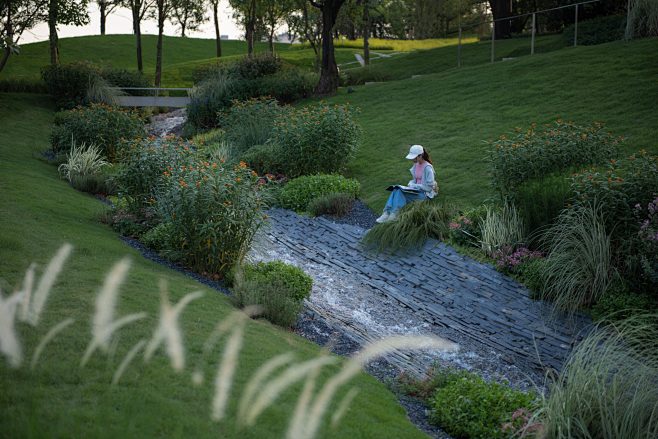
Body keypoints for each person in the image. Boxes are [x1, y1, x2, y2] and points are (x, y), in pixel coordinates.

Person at [376, 144, 437, 223]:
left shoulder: (428, 168)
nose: (412, 159)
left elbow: (429, 188)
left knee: (399, 192)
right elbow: (415, 179)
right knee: (396, 189)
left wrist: (415, 186)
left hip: (424, 194)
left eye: (414, 157)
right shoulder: (416, 165)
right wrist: (411, 183)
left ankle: (394, 214)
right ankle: (386, 213)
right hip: (415, 190)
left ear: (420, 155)